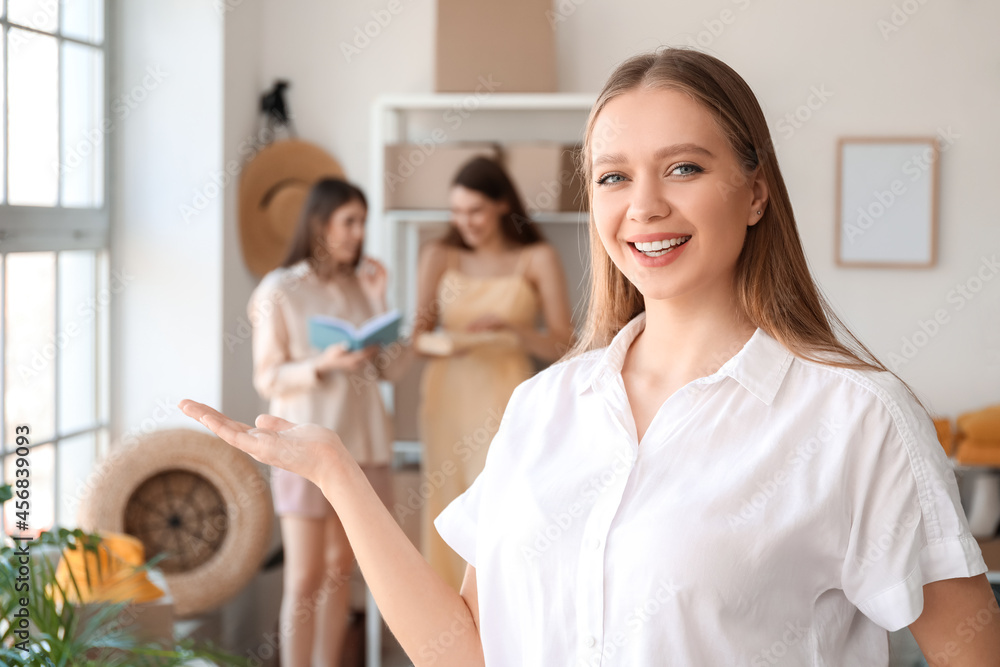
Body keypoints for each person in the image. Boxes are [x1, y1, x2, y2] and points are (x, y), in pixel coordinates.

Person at [182, 48, 1000, 666]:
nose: (644, 206)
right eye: (613, 177)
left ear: (755, 191)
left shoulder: (854, 415)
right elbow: (462, 648)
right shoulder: (547, 406)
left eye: (684, 167)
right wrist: (336, 472)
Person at [247, 178, 404, 666]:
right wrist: (323, 363)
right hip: (305, 447)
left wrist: (380, 299)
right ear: (320, 224)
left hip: (364, 445)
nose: (359, 233)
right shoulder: (280, 289)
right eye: (349, 222)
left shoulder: (363, 283)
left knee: (342, 571)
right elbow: (267, 376)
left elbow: (392, 370)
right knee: (305, 576)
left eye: (363, 222)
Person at [412, 155, 575, 592]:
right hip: (447, 393)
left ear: (503, 204)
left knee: (504, 503)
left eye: (476, 211)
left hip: (507, 393)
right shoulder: (438, 255)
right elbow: (417, 337)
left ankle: (501, 617)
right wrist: (453, 342)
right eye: (457, 212)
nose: (465, 222)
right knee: (447, 501)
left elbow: (564, 344)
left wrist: (515, 330)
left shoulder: (536, 258)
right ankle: (448, 626)